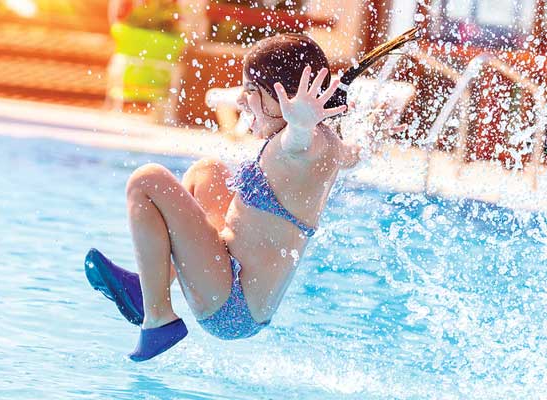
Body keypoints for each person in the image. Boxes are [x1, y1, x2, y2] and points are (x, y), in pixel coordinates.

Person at [85, 33, 403, 361]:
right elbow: (349, 155)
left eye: (251, 92)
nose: (240, 102)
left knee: (146, 181)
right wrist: (370, 136)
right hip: (235, 282)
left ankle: (158, 319)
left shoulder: (302, 145)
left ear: (288, 101)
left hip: (232, 306)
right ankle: (148, 287)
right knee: (207, 171)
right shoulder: (326, 144)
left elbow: (298, 144)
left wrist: (301, 126)